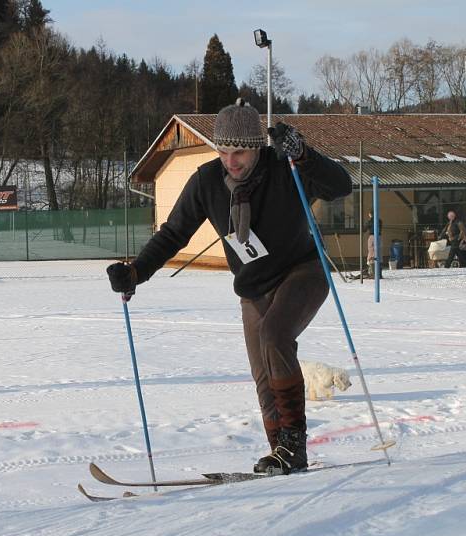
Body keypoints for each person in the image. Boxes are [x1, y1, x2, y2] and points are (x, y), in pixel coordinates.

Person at [106, 99, 352, 476]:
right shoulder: (207, 181)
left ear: (256, 147)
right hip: (254, 286)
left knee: (275, 335)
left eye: (238, 152)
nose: (230, 160)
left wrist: (303, 154)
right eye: (223, 151)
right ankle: (280, 454)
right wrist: (137, 271)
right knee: (262, 375)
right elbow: (174, 232)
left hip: (302, 272)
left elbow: (340, 186)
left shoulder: (284, 168)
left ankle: (294, 445)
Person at [364, 211, 383, 278]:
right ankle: (379, 273)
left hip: (372, 237)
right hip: (379, 237)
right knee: (379, 254)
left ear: (370, 214)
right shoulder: (380, 221)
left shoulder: (370, 221)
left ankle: (372, 273)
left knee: (371, 253)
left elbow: (364, 229)